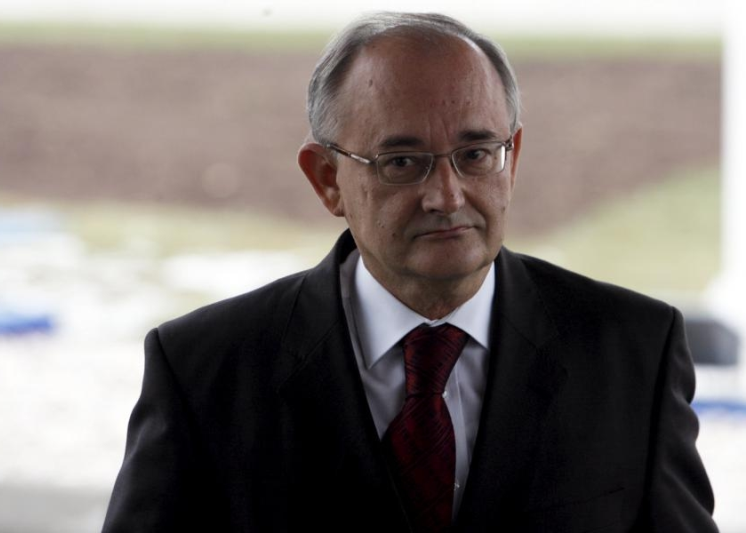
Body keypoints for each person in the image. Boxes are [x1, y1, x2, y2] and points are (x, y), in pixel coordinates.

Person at [102, 12, 717, 533]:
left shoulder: (635, 351)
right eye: (401, 162)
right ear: (326, 180)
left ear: (512, 159)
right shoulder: (204, 371)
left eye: (476, 154)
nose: (446, 196)